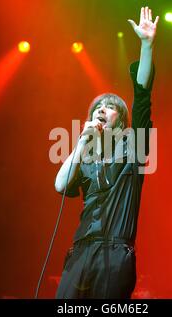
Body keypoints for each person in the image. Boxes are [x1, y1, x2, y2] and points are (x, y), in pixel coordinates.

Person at [54, 6, 158, 299]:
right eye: (97, 107)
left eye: (110, 106)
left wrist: (147, 46)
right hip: (80, 253)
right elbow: (61, 186)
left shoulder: (134, 149)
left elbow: (142, 97)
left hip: (115, 254)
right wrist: (79, 144)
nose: (102, 109)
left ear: (122, 121)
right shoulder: (85, 161)